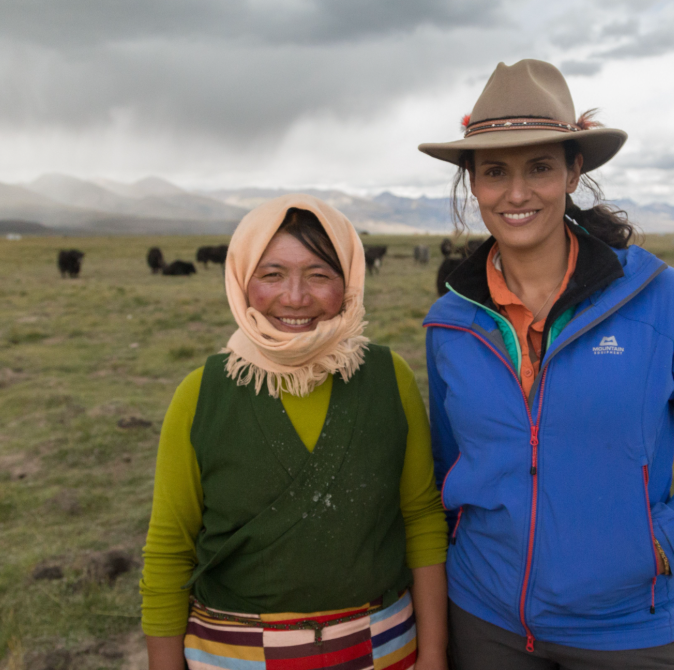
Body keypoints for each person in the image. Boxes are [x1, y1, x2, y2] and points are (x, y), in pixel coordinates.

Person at [417, 60, 674, 669]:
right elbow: (450, 468)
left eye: (541, 167)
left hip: (624, 626)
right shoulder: (451, 322)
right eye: (495, 171)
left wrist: (663, 543)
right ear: (472, 181)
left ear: (575, 171)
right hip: (482, 617)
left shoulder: (662, 297)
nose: (517, 193)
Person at [140, 194, 449, 670]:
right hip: (232, 657)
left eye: (320, 274)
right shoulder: (200, 395)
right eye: (272, 274)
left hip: (383, 649)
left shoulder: (391, 381)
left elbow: (423, 520)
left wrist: (434, 654)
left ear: (348, 281)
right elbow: (168, 551)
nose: (295, 297)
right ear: (243, 280)